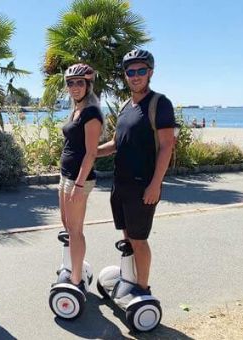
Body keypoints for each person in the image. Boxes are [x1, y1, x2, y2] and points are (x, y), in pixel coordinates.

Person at [97, 49, 176, 295]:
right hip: (120, 184)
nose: (135, 76)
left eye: (141, 70)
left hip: (143, 186)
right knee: (128, 236)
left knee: (139, 240)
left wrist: (155, 184)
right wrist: (89, 153)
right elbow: (115, 144)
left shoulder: (159, 104)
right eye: (131, 72)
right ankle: (129, 278)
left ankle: (142, 288)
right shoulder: (124, 107)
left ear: (150, 72)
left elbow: (166, 146)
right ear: (125, 75)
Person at [59, 63, 103, 292]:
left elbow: (91, 152)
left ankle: (75, 280)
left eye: (79, 83)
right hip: (66, 175)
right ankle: (74, 266)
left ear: (88, 85)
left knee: (75, 230)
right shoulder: (76, 109)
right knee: (67, 225)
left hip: (79, 179)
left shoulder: (91, 112)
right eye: (70, 83)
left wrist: (78, 183)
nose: (74, 87)